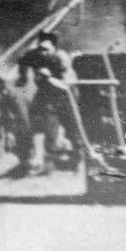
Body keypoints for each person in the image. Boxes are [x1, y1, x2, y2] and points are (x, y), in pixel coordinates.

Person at [15, 31, 79, 174]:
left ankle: (71, 156)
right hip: (44, 94)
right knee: (35, 119)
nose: (43, 53)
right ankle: (38, 157)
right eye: (41, 48)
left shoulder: (61, 58)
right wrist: (23, 77)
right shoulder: (35, 54)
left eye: (46, 50)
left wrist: (50, 77)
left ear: (54, 48)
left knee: (62, 134)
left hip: (64, 96)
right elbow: (23, 60)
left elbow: (68, 85)